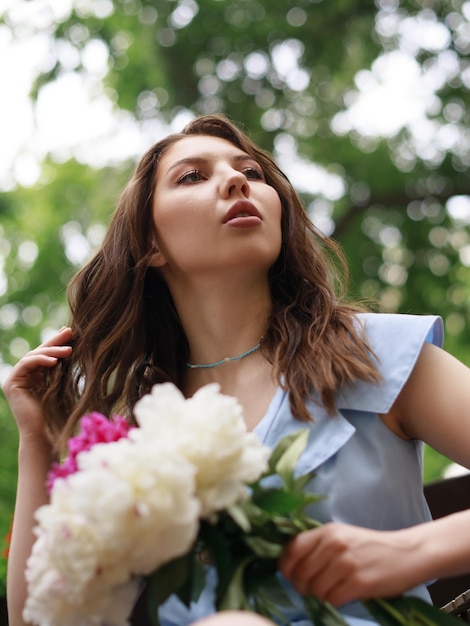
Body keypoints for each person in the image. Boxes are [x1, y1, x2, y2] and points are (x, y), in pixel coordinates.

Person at [3, 113, 470, 626]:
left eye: (252, 171)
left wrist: (411, 553)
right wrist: (38, 440)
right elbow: (36, 620)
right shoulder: (138, 440)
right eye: (192, 176)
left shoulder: (370, 353)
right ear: (149, 245)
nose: (236, 180)